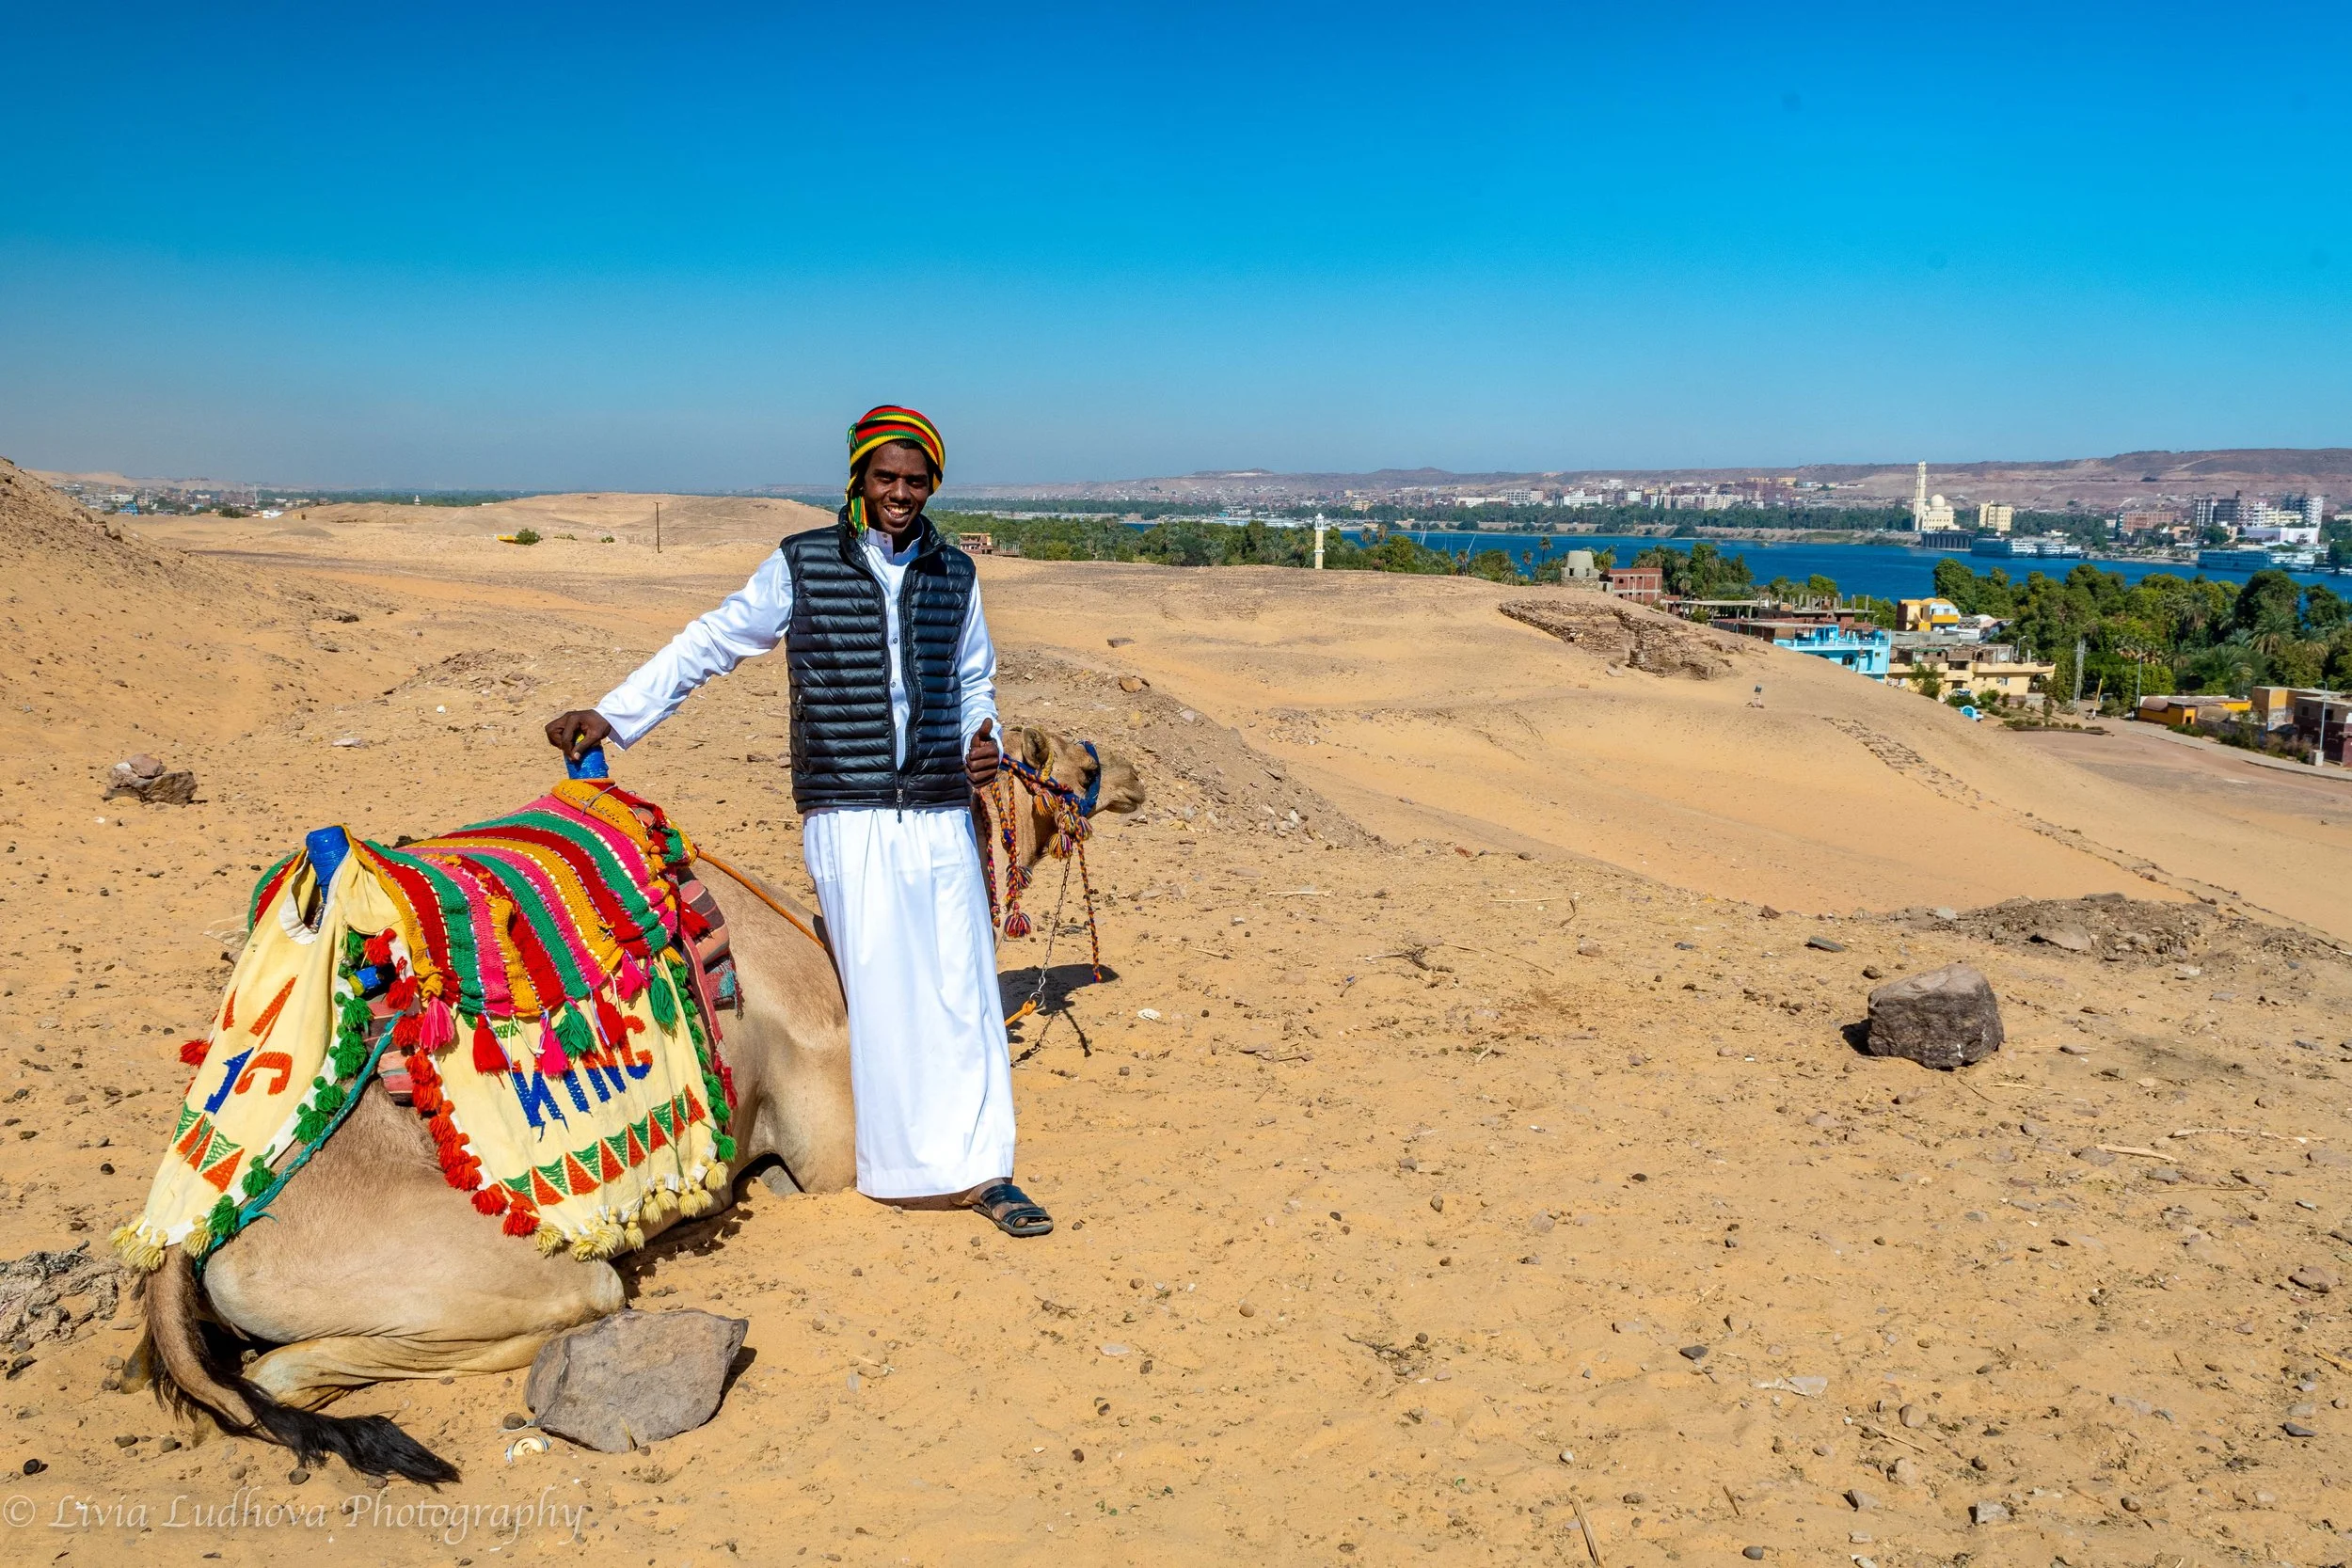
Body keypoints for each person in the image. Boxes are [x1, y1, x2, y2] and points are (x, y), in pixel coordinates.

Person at [544, 406, 1050, 1237]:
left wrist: (977, 739)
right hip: (847, 810)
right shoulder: (802, 564)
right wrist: (614, 714)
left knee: (961, 987)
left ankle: (982, 1170)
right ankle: (892, 1167)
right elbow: (712, 642)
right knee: (881, 988)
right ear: (858, 478)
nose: (900, 493)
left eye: (916, 480)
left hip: (936, 808)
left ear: (934, 485)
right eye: (885, 477)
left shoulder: (956, 573)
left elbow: (974, 680)